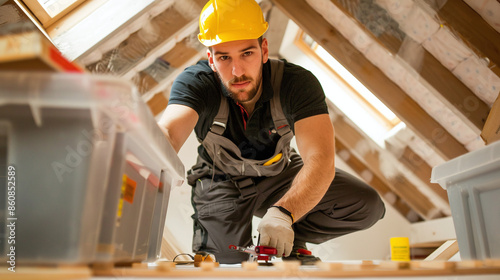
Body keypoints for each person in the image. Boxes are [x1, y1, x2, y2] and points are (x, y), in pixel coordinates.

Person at [158, 0, 385, 264]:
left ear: (264, 50)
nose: (237, 71)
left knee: (366, 205)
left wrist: (284, 213)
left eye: (247, 53)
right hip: (220, 181)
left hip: (280, 175)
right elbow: (169, 134)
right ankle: (237, 249)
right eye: (224, 57)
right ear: (210, 59)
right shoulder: (196, 84)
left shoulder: (296, 84)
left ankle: (291, 238)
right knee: (231, 267)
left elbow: (321, 159)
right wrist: (156, 157)